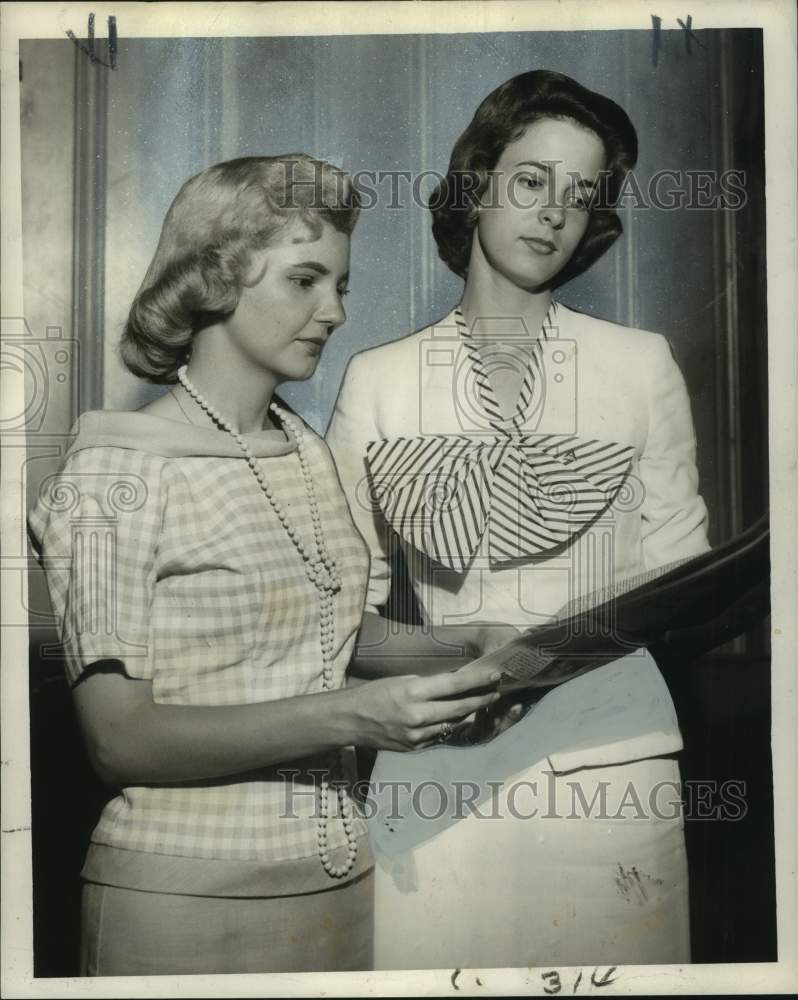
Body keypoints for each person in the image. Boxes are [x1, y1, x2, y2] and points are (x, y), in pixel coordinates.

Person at [27, 154, 504, 977]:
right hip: (181, 902)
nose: (334, 311)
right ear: (216, 278)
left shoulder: (308, 452)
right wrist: (353, 718)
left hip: (339, 889)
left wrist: (472, 644)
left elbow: (329, 634)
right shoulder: (117, 468)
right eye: (305, 280)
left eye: (342, 287)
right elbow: (118, 740)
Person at [326, 71, 710, 969]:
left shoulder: (638, 363)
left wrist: (558, 654)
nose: (552, 214)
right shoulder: (379, 379)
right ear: (478, 185)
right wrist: (454, 653)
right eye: (532, 181)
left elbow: (685, 586)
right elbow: (339, 618)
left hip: (611, 766)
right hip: (435, 773)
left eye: (579, 198)